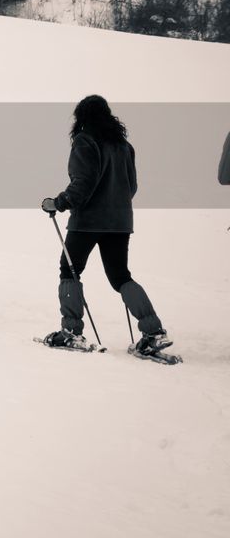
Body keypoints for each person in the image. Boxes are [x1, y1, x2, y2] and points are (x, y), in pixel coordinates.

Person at [41, 95, 170, 354]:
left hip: (87, 221)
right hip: (119, 221)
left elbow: (83, 184)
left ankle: (71, 332)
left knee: (70, 270)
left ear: (81, 117)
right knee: (120, 276)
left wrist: (58, 202)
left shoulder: (84, 141)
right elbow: (130, 187)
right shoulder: (124, 146)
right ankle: (153, 331)